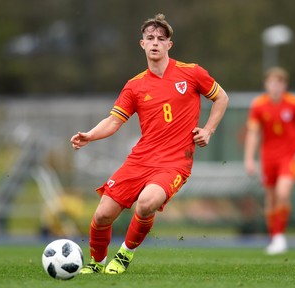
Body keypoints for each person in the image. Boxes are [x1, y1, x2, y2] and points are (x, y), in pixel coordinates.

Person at [70, 13, 228, 274]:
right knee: (102, 215)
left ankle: (124, 255)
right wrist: (89, 135)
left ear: (169, 45)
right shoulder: (134, 85)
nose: (155, 42)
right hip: (141, 159)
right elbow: (113, 121)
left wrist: (208, 130)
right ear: (142, 44)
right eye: (150, 38)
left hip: (175, 162)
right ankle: (96, 264)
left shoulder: (191, 73)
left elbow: (221, 98)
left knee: (146, 203)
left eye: (161, 39)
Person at [244, 67, 295, 255]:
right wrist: (249, 158)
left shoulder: (294, 103)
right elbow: (253, 134)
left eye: (279, 82)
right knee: (271, 198)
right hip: (268, 158)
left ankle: (280, 236)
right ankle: (274, 237)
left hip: (289, 157)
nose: (275, 86)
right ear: (266, 84)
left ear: (285, 85)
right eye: (272, 82)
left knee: (283, 192)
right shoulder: (258, 105)